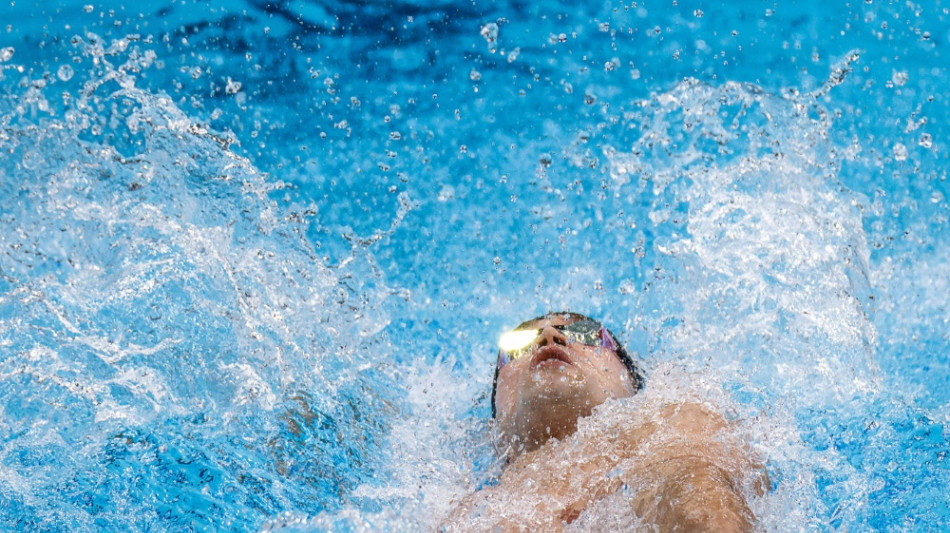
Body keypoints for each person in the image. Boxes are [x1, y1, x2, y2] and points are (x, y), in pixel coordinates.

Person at [442, 311, 768, 532]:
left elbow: (699, 501)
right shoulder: (458, 512)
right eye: (517, 346)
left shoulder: (676, 425)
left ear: (632, 385)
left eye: (585, 333)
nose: (550, 337)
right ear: (494, 430)